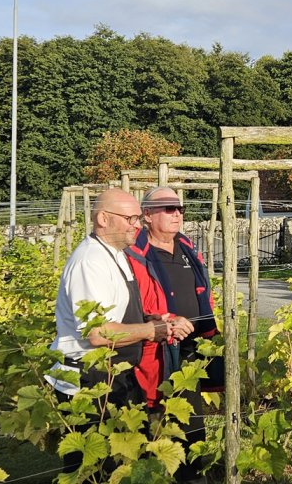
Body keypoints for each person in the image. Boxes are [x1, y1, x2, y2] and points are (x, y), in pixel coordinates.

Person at [47, 188, 193, 472]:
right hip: (87, 383)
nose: (137, 225)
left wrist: (154, 318)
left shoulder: (115, 254)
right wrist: (152, 331)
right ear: (103, 218)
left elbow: (121, 311)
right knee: (92, 466)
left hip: (113, 374)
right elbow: (98, 333)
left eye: (138, 218)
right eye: (130, 219)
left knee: (119, 463)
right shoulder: (90, 262)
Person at [125, 186, 221, 403]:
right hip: (156, 352)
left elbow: (203, 291)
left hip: (191, 349)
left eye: (180, 208)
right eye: (169, 208)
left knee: (191, 423)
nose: (177, 214)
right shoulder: (134, 254)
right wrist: (162, 322)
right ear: (147, 215)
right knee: (156, 418)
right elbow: (129, 306)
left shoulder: (187, 247)